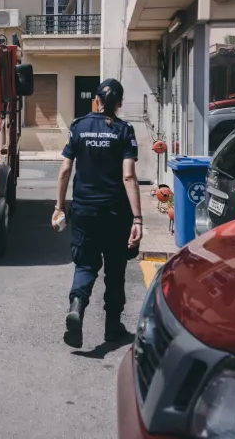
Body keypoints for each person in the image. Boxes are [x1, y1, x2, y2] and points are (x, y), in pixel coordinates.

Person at [54, 78, 143, 348]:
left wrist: (60, 207)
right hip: (115, 213)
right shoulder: (124, 130)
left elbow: (65, 170)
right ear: (119, 104)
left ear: (96, 100)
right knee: (115, 270)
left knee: (85, 264)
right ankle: (112, 328)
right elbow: (129, 177)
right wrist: (137, 218)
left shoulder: (78, 127)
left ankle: (77, 306)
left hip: (84, 210)